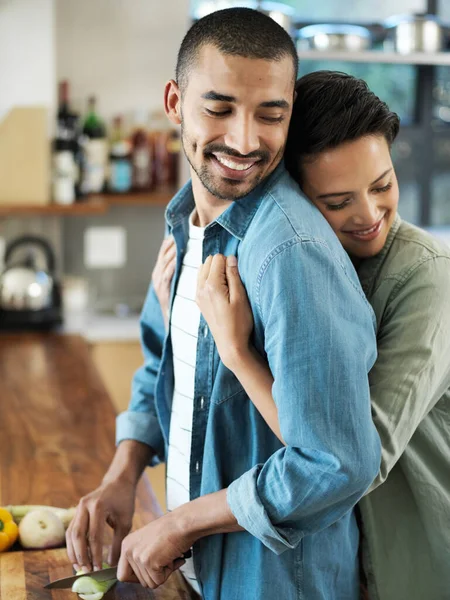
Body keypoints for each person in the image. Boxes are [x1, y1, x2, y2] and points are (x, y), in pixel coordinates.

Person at [65, 11, 381, 600]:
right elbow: (166, 364)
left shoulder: (289, 252)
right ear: (174, 102)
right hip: (201, 573)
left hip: (271, 583)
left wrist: (180, 522)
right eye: (219, 108)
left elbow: (337, 463)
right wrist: (122, 476)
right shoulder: (188, 222)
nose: (244, 140)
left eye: (271, 114)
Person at [154, 71, 450, 600]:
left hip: (412, 561)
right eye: (336, 203)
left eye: (382, 185)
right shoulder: (293, 259)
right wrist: (178, 314)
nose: (368, 215)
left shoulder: (425, 277)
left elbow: (352, 458)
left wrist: (236, 354)